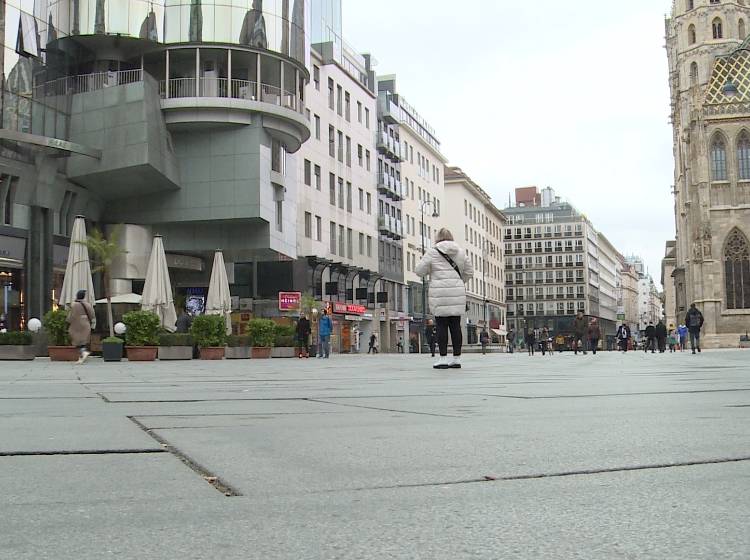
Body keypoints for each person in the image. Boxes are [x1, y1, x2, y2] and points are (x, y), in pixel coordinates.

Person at [415, 228, 474, 369]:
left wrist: (431, 271)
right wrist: (459, 281)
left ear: (437, 238)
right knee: (455, 326)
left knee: (441, 325)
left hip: (439, 292)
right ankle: (456, 358)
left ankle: (442, 359)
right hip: (457, 292)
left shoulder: (432, 252)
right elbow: (469, 272)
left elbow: (419, 271)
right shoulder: (460, 252)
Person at [67, 289, 95, 364]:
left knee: (76, 341)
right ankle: (81, 357)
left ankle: (83, 352)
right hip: (86, 324)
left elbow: (71, 316)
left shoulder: (74, 305)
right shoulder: (88, 304)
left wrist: (68, 321)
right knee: (83, 341)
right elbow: (92, 315)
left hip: (76, 325)